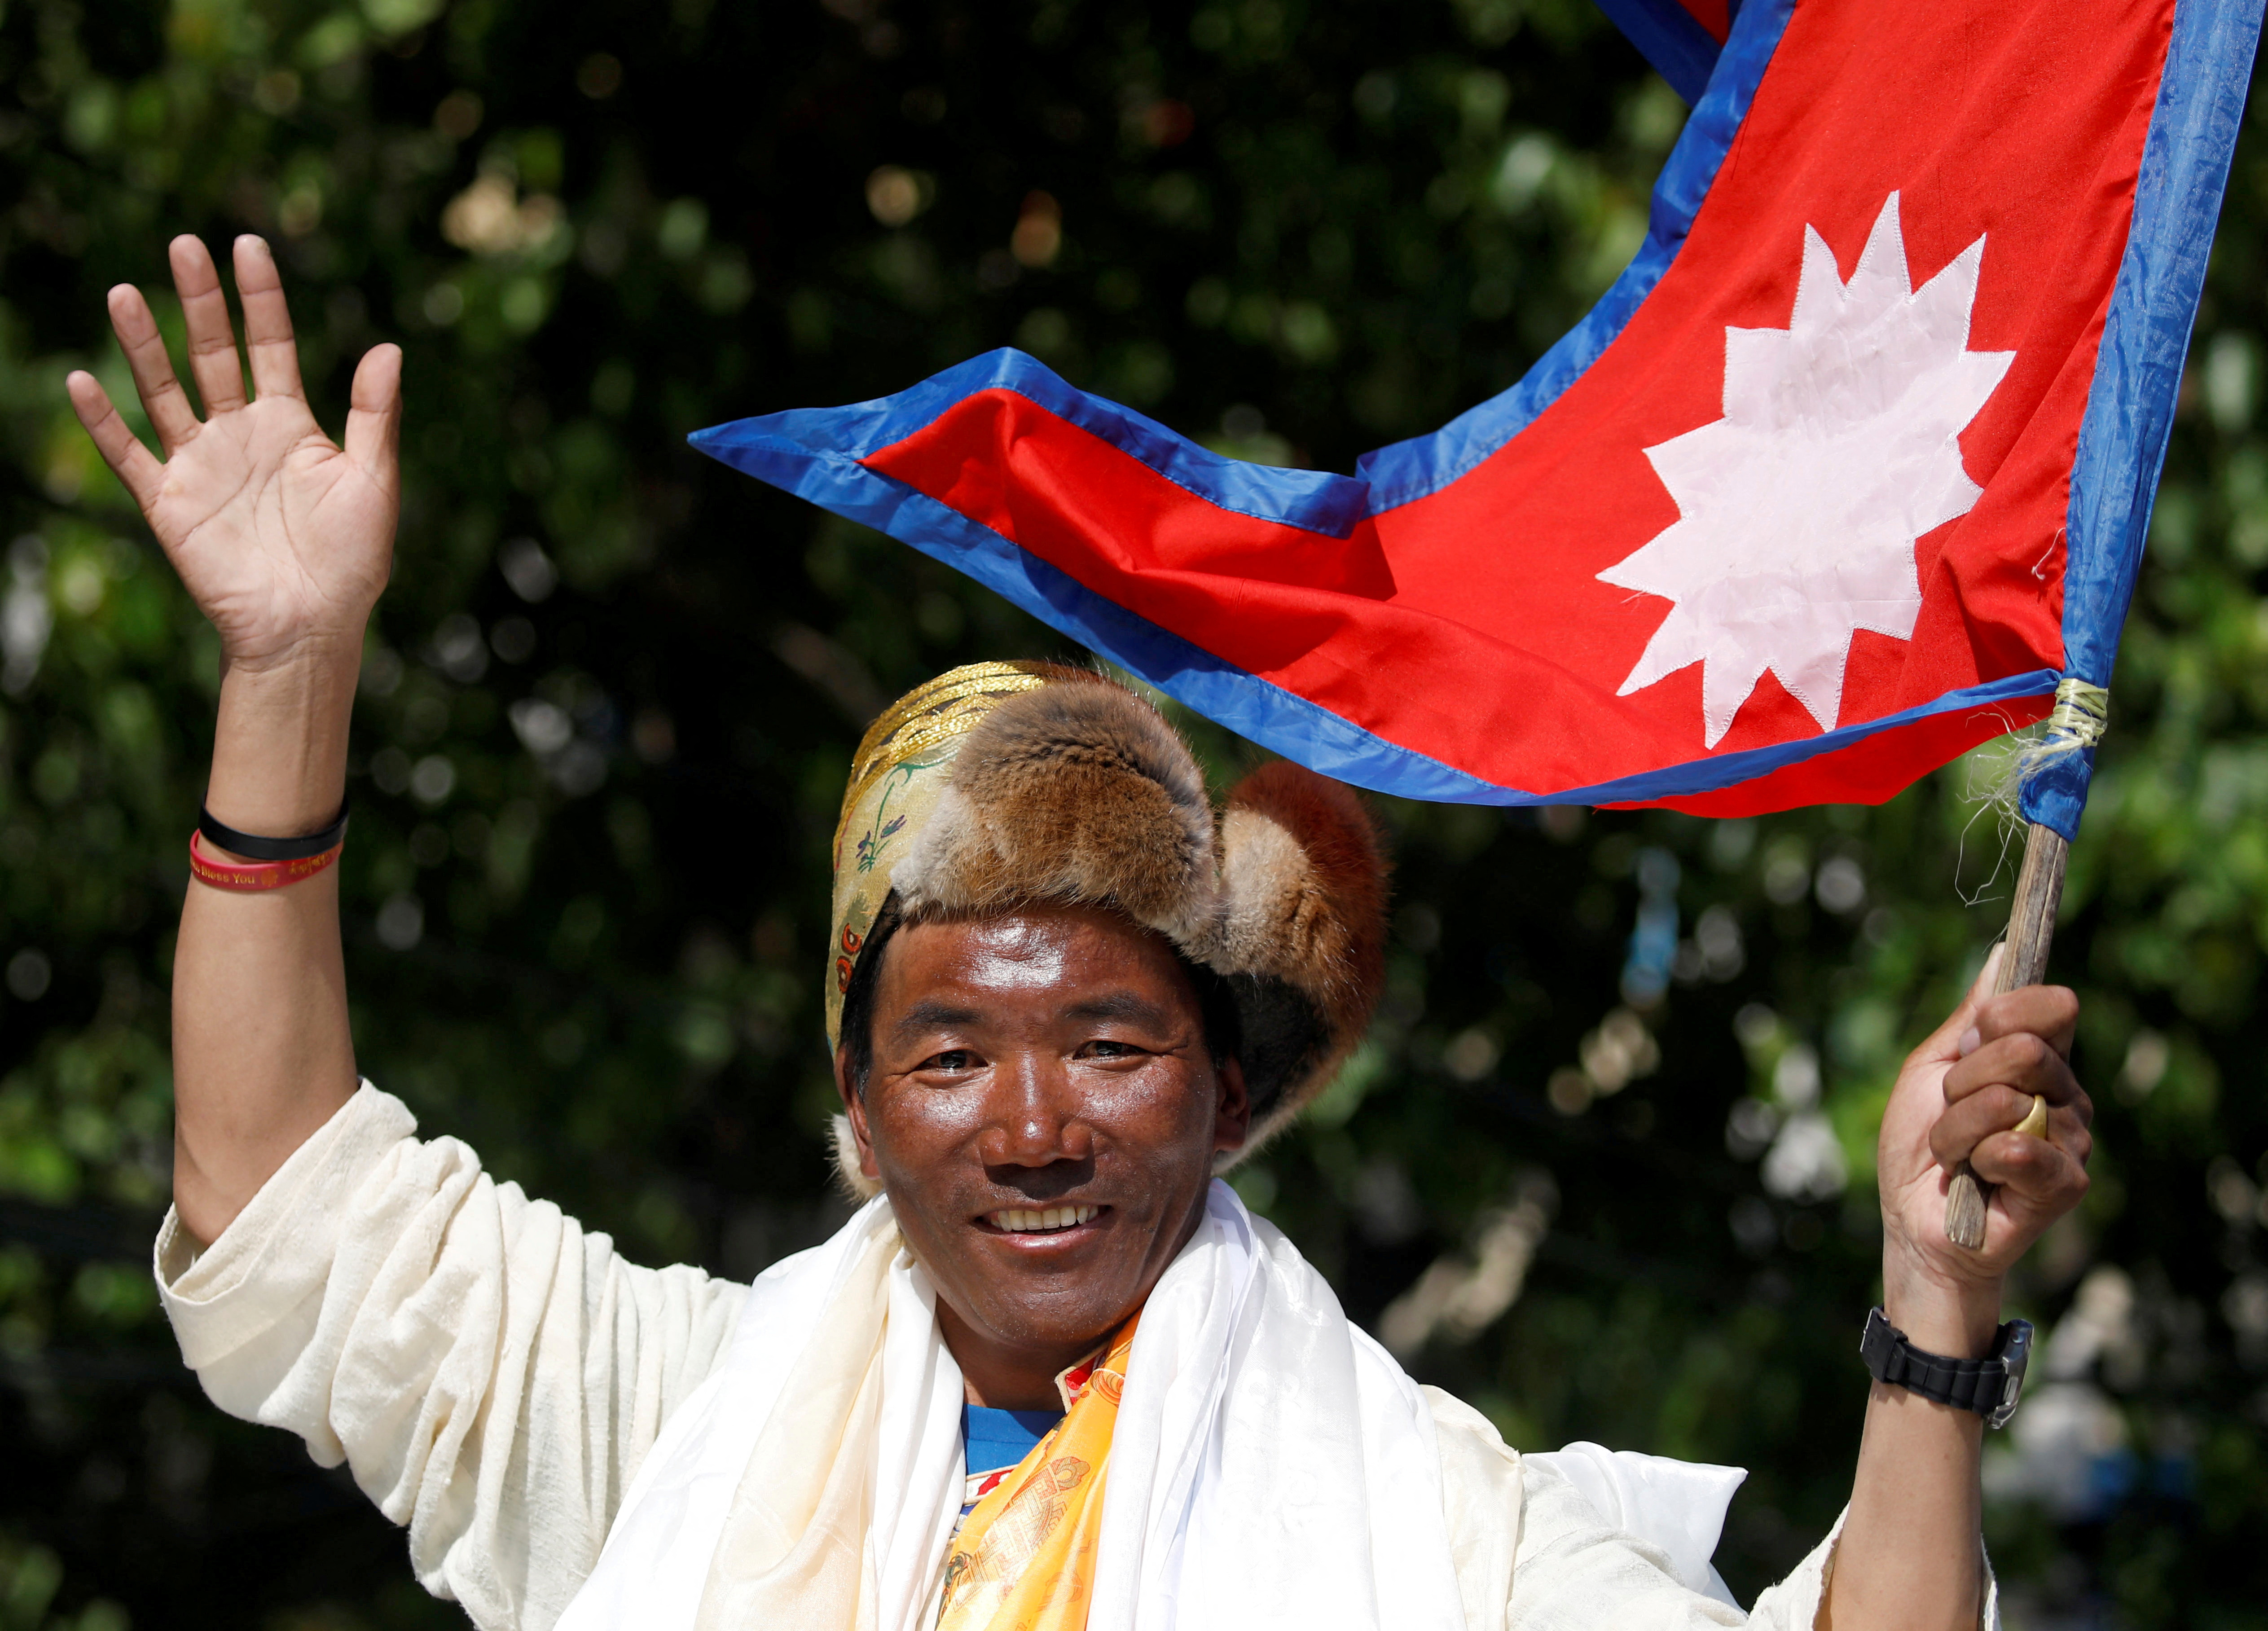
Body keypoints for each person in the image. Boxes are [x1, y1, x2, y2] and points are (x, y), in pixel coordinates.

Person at [67, 236, 2095, 1631]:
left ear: (1229, 1091)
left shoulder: (1427, 1530)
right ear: (859, 1107)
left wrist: (1933, 1305)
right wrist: (292, 673)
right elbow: (281, 1210)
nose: (1033, 1123)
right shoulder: (672, 1416)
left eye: (1110, 1048)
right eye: (951, 1054)